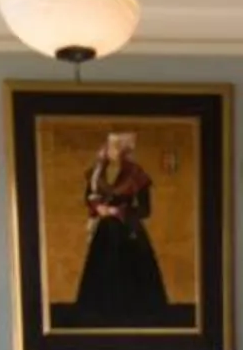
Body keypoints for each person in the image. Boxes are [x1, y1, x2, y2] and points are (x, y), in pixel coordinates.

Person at [68, 132, 173, 324]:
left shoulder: (137, 175)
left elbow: (145, 210)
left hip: (128, 232)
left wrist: (118, 211)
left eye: (116, 146)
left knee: (132, 274)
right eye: (109, 146)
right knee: (101, 271)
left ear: (126, 150)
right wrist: (98, 208)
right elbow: (89, 198)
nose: (111, 150)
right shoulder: (97, 173)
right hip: (105, 233)